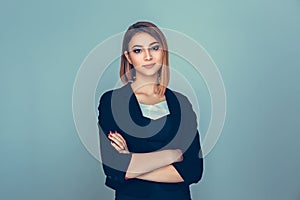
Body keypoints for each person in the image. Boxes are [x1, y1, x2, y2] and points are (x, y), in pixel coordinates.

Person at [98, 21, 203, 200]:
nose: (148, 56)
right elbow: (114, 169)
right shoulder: (112, 102)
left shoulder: (181, 103)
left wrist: (131, 163)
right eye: (138, 50)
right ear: (129, 57)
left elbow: (193, 170)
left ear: (163, 52)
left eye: (154, 48)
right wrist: (173, 155)